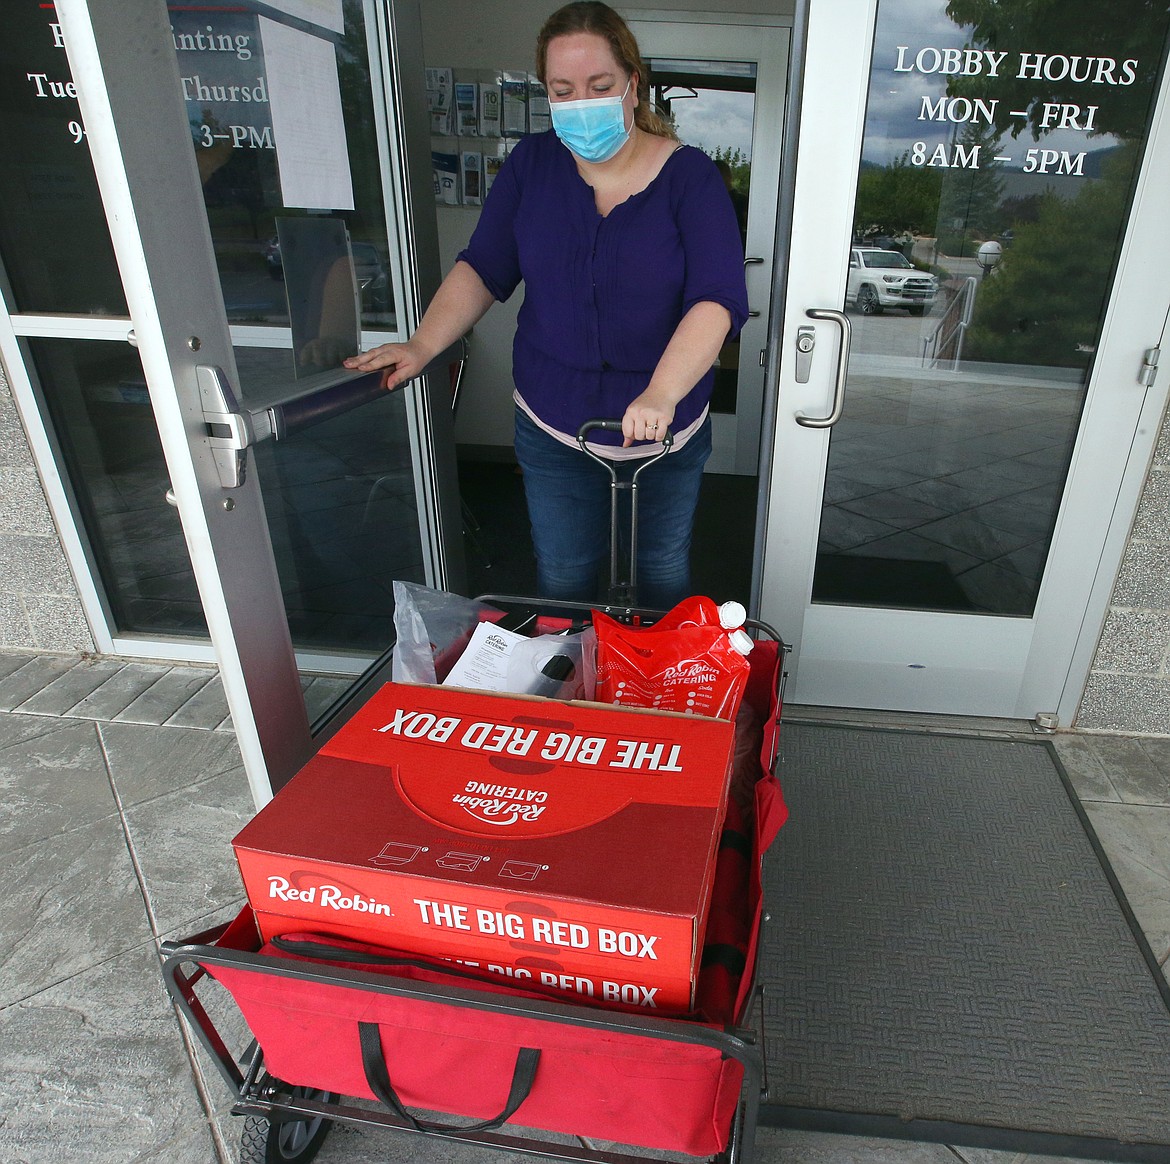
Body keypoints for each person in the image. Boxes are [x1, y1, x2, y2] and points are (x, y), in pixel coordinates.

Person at [344, 1, 748, 609]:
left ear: (633, 86)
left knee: (661, 576)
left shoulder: (690, 179)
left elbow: (717, 300)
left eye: (600, 85)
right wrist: (424, 343)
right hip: (553, 416)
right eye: (563, 90)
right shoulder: (532, 167)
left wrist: (662, 392)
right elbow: (483, 267)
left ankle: (651, 695)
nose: (581, 102)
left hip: (666, 424)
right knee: (563, 580)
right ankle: (575, 695)